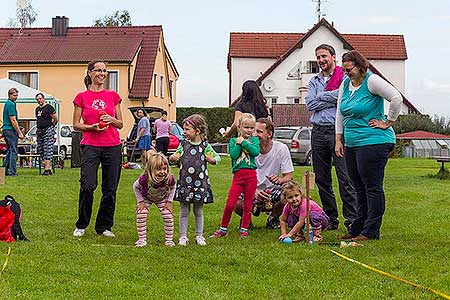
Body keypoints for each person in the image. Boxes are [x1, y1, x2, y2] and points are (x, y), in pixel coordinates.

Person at [335, 50, 402, 241]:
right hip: (352, 142)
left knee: (372, 186)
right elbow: (340, 113)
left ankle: (371, 231)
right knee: (357, 186)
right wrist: (339, 139)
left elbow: (396, 98)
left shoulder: (372, 81)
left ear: (360, 66)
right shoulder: (345, 84)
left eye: (349, 69)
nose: (346, 73)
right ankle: (357, 228)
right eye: (344, 70)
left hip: (374, 141)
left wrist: (388, 122)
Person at [305, 44, 358, 231]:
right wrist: (331, 97)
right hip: (318, 132)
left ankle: (352, 219)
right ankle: (330, 219)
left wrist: (322, 95)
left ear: (333, 57)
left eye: (324, 56)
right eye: (318, 57)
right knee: (322, 179)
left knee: (345, 177)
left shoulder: (344, 77)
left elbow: (343, 98)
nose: (321, 60)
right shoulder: (313, 81)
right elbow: (310, 104)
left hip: (338, 133)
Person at [72, 61, 123, 238]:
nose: (102, 73)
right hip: (91, 146)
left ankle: (104, 227)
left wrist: (111, 119)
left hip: (113, 146)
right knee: (87, 185)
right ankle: (82, 224)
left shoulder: (113, 96)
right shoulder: (82, 97)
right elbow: (76, 124)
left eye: (104, 71)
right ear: (90, 73)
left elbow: (120, 124)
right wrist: (91, 127)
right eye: (98, 70)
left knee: (110, 189)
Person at [169, 114, 220, 246]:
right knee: (184, 211)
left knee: (198, 211)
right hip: (185, 184)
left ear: (197, 131)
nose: (184, 132)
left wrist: (212, 159)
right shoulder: (183, 145)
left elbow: (217, 158)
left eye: (187, 129)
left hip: (200, 184)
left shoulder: (205, 146)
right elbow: (176, 155)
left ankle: (199, 235)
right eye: (184, 129)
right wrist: (174, 156)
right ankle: (183, 236)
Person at [235, 117, 294, 229]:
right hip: (250, 188)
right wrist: (254, 190)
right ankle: (246, 219)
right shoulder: (246, 148)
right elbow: (240, 177)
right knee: (234, 198)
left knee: (290, 191)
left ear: (269, 134)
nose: (254, 134)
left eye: (259, 132)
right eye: (253, 131)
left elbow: (289, 176)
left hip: (272, 190)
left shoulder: (281, 148)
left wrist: (279, 180)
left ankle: (273, 218)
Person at [211, 113, 260, 238]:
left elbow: (255, 152)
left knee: (248, 204)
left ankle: (244, 229)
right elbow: (233, 155)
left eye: (251, 128)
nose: (249, 130)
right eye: (246, 127)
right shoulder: (233, 141)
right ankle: (223, 229)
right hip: (238, 176)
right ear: (239, 128)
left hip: (251, 176)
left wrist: (244, 143)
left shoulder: (254, 141)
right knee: (230, 204)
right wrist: (239, 143)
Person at [133, 150, 176, 247]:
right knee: (141, 214)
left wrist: (169, 202)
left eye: (164, 169)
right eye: (158, 169)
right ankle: (141, 240)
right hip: (146, 197)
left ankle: (169, 240)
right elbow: (135, 187)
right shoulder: (144, 179)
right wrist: (140, 201)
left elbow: (173, 187)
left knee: (168, 216)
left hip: (161, 198)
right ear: (150, 170)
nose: (162, 172)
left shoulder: (169, 178)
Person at [2, 88, 24, 176]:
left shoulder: (8, 103)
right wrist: (19, 132)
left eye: (17, 95)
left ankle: (5, 170)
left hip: (6, 129)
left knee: (10, 151)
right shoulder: (10, 104)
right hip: (10, 130)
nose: (16, 97)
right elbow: (13, 119)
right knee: (14, 151)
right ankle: (12, 171)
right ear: (10, 95)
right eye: (14, 95)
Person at [35, 92, 58, 175]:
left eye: (40, 98)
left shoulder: (49, 107)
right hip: (39, 130)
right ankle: (47, 167)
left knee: (47, 148)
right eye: (37, 99)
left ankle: (47, 169)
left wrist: (51, 126)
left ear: (43, 99)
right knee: (41, 149)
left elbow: (55, 118)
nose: (39, 100)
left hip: (48, 129)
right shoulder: (37, 109)